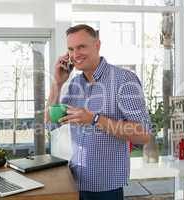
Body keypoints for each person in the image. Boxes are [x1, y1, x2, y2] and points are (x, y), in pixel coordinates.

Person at [45, 24, 151, 200]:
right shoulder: (75, 83)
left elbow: (143, 134)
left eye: (81, 47)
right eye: (71, 49)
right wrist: (57, 83)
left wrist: (94, 119)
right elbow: (50, 123)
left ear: (97, 45)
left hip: (106, 186)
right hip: (76, 180)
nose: (75, 54)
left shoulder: (124, 79)